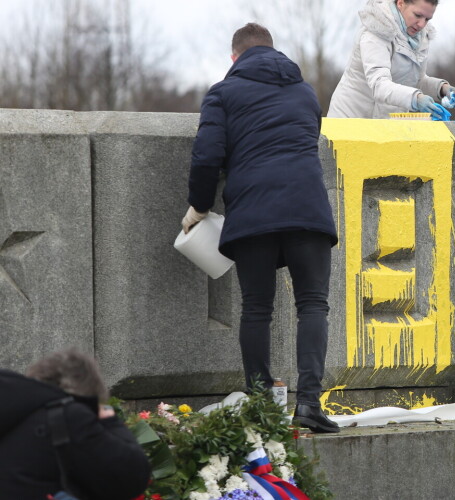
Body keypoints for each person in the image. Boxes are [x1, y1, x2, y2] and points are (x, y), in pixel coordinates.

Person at [182, 23, 340, 433]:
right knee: (313, 304)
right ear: (274, 51)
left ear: (234, 57)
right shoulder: (305, 91)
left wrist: (199, 207)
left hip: (253, 212)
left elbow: (206, 157)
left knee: (257, 308)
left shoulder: (222, 93)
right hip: (307, 208)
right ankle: (308, 404)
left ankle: (260, 406)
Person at [0, 349, 151, 499]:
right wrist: (109, 420)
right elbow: (132, 477)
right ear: (91, 385)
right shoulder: (68, 415)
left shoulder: (13, 407)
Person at [327, 0, 455, 120]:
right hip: (350, 121)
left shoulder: (420, 39)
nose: (421, 24)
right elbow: (379, 85)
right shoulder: (376, 30)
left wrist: (442, 88)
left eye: (427, 19)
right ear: (400, 3)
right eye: (418, 15)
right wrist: (416, 98)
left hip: (383, 125)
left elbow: (415, 81)